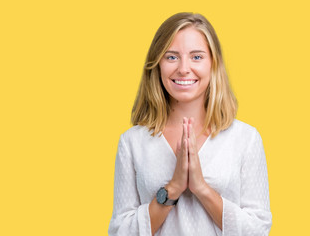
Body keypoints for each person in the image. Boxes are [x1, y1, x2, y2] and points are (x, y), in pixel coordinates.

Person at [108, 12, 272, 236]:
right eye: (172, 57)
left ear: (214, 63)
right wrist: (172, 188)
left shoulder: (245, 139)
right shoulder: (132, 142)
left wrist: (201, 188)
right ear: (157, 65)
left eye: (196, 57)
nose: (184, 69)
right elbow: (120, 231)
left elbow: (258, 229)